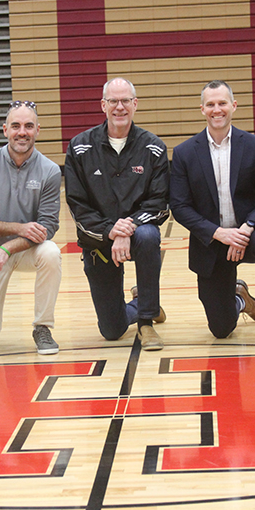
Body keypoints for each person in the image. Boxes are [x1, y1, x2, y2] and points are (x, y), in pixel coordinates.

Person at [170, 80, 255, 350]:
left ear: (233, 106)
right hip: (212, 241)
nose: (216, 109)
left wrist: (246, 228)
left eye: (222, 103)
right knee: (221, 330)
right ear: (202, 109)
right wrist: (219, 233)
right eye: (210, 104)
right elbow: (180, 206)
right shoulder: (184, 153)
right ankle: (242, 300)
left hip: (249, 236)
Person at [64, 77, 169, 351]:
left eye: (125, 101)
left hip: (137, 234)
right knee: (112, 331)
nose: (119, 107)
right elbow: (77, 205)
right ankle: (143, 304)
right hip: (99, 239)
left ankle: (146, 321)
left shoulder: (154, 148)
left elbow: (158, 204)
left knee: (148, 236)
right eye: (113, 101)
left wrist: (128, 227)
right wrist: (110, 230)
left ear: (135, 105)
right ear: (103, 105)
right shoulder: (79, 148)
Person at [0, 100, 62, 355]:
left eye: (29, 126)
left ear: (38, 130)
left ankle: (43, 328)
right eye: (15, 125)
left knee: (50, 252)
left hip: (22, 252)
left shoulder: (49, 171)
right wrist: (18, 228)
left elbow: (48, 225)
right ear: (5, 130)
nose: (22, 132)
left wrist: (7, 248)